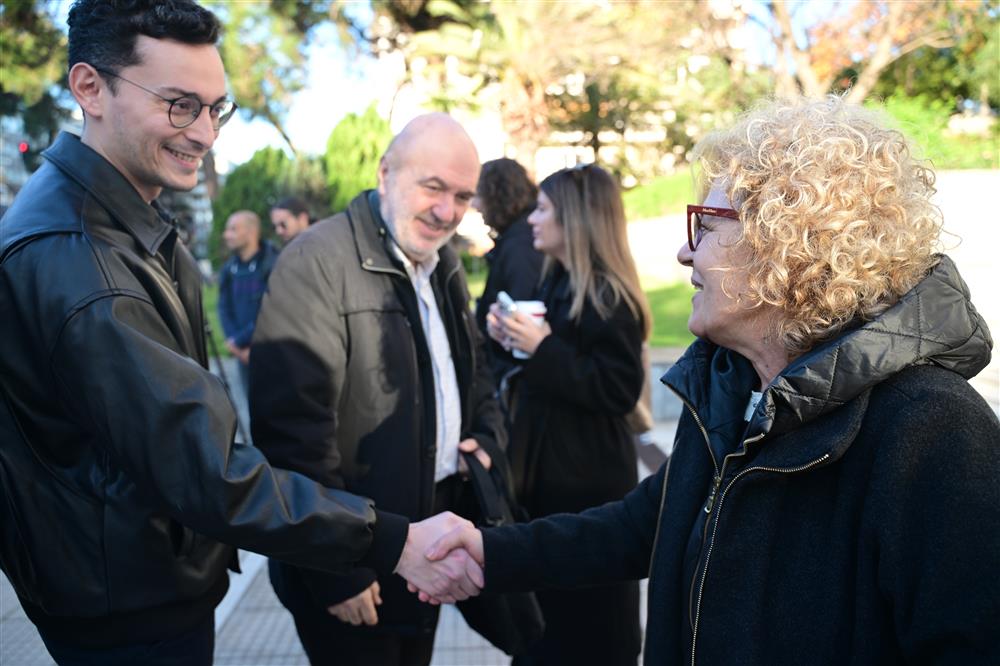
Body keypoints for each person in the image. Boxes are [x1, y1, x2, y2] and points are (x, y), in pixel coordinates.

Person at [427, 95, 1000, 665]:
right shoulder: (732, 391)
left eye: (706, 225)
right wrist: (489, 550)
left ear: (790, 244)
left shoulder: (936, 432)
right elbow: (641, 526)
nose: (684, 251)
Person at [0, 3, 481, 664]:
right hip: (126, 601)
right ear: (89, 88)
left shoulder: (119, 219)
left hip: (136, 579)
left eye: (214, 108)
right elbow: (210, 467)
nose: (204, 133)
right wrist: (386, 541)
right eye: (178, 105)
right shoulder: (81, 260)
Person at [249, 112, 506, 666]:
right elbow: (292, 439)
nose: (447, 211)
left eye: (462, 196)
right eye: (433, 187)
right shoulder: (314, 262)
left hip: (428, 535)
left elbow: (473, 371)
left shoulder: (444, 264)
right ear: (386, 173)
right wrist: (338, 570)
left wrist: (484, 433)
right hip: (355, 549)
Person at [485, 163, 651, 666]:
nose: (531, 220)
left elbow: (618, 390)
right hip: (551, 478)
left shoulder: (608, 294)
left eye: (542, 209)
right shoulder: (560, 281)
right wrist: (513, 341)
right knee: (550, 622)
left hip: (587, 486)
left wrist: (542, 348)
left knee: (592, 625)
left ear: (575, 220)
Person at [472, 158, 544, 386]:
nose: (474, 205)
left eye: (478, 195)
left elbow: (521, 313)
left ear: (496, 194)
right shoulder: (518, 239)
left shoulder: (520, 245)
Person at [218, 210, 278, 394]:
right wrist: (235, 343)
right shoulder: (229, 269)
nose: (226, 234)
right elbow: (223, 307)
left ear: (251, 232)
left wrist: (243, 342)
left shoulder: (274, 263)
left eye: (233, 229)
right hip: (243, 355)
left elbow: (274, 312)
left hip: (272, 351)